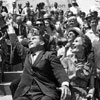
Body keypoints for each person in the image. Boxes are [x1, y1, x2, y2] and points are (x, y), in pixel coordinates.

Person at [7, 19, 71, 100]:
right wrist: (10, 27)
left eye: (34, 38)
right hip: (26, 92)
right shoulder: (27, 53)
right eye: (30, 39)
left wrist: (65, 84)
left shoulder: (49, 55)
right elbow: (15, 43)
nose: (30, 40)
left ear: (42, 43)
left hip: (44, 92)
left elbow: (59, 71)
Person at [60, 34, 95, 100]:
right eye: (73, 41)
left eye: (76, 41)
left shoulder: (91, 64)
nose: (73, 43)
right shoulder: (66, 60)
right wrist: (74, 75)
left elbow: (92, 86)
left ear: (84, 46)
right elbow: (63, 81)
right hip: (69, 93)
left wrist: (90, 94)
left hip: (83, 95)